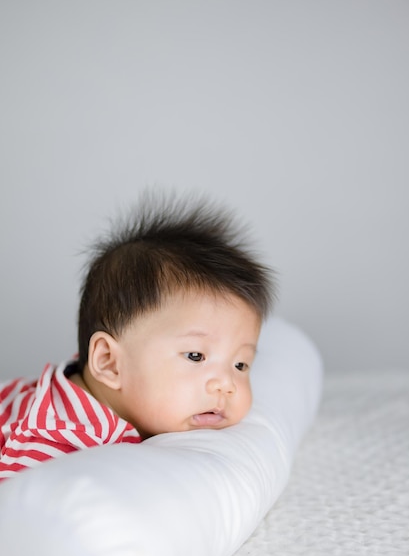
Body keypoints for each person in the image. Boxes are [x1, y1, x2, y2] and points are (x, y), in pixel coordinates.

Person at [0, 191, 276, 481]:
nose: (227, 385)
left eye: (241, 364)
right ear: (109, 363)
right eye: (196, 355)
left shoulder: (111, 388)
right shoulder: (58, 445)